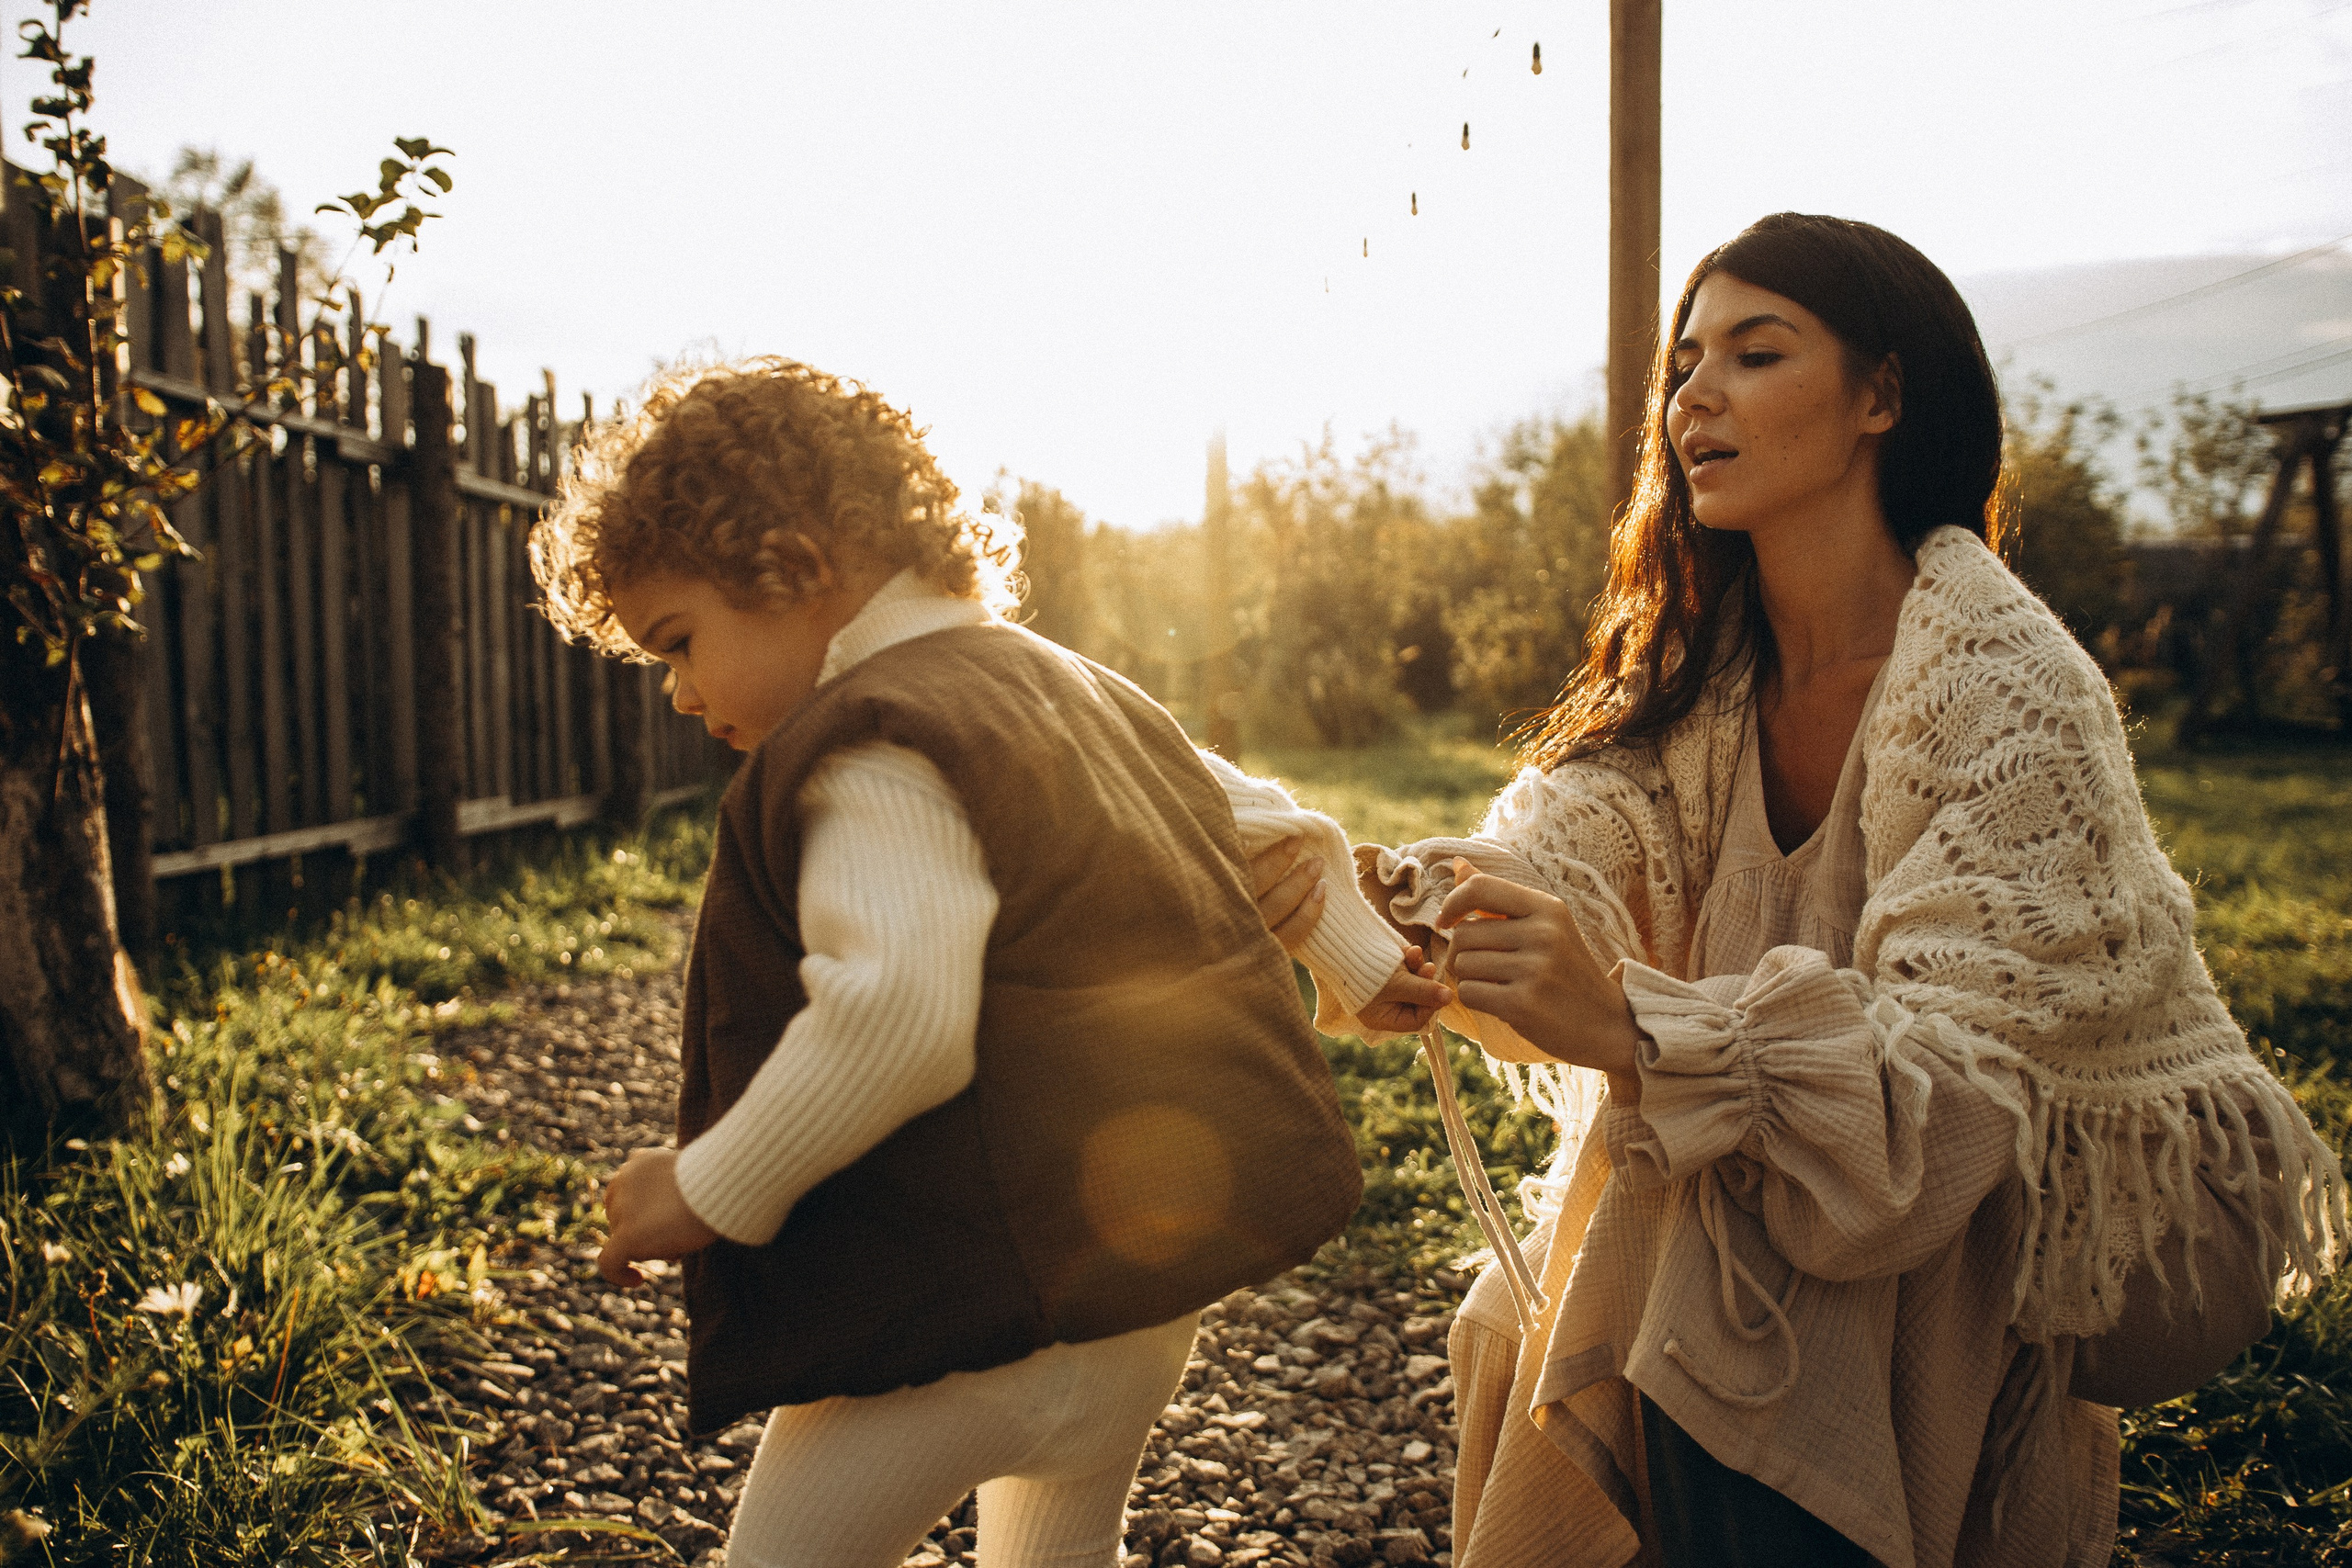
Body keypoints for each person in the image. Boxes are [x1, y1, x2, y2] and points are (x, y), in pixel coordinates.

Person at [1250, 212, 2344, 1568]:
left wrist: (1635, 1027)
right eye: (1684, 365)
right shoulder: (1700, 677)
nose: (1693, 398)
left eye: (1754, 355)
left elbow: (1946, 1112)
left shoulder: (2010, 689)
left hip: (2017, 1231)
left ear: (1881, 395)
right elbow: (1572, 858)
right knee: (1604, 1266)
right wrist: (1421, 905)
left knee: (1688, 1264)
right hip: (1795, 1197)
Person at [527, 357, 1448, 1568]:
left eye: (680, 643)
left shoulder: (876, 744)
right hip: (1136, 1311)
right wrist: (1365, 960)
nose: (679, 694)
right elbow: (1264, 824)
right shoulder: (1073, 684)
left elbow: (897, 1017)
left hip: (962, 1314)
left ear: (792, 567)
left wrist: (702, 1188)